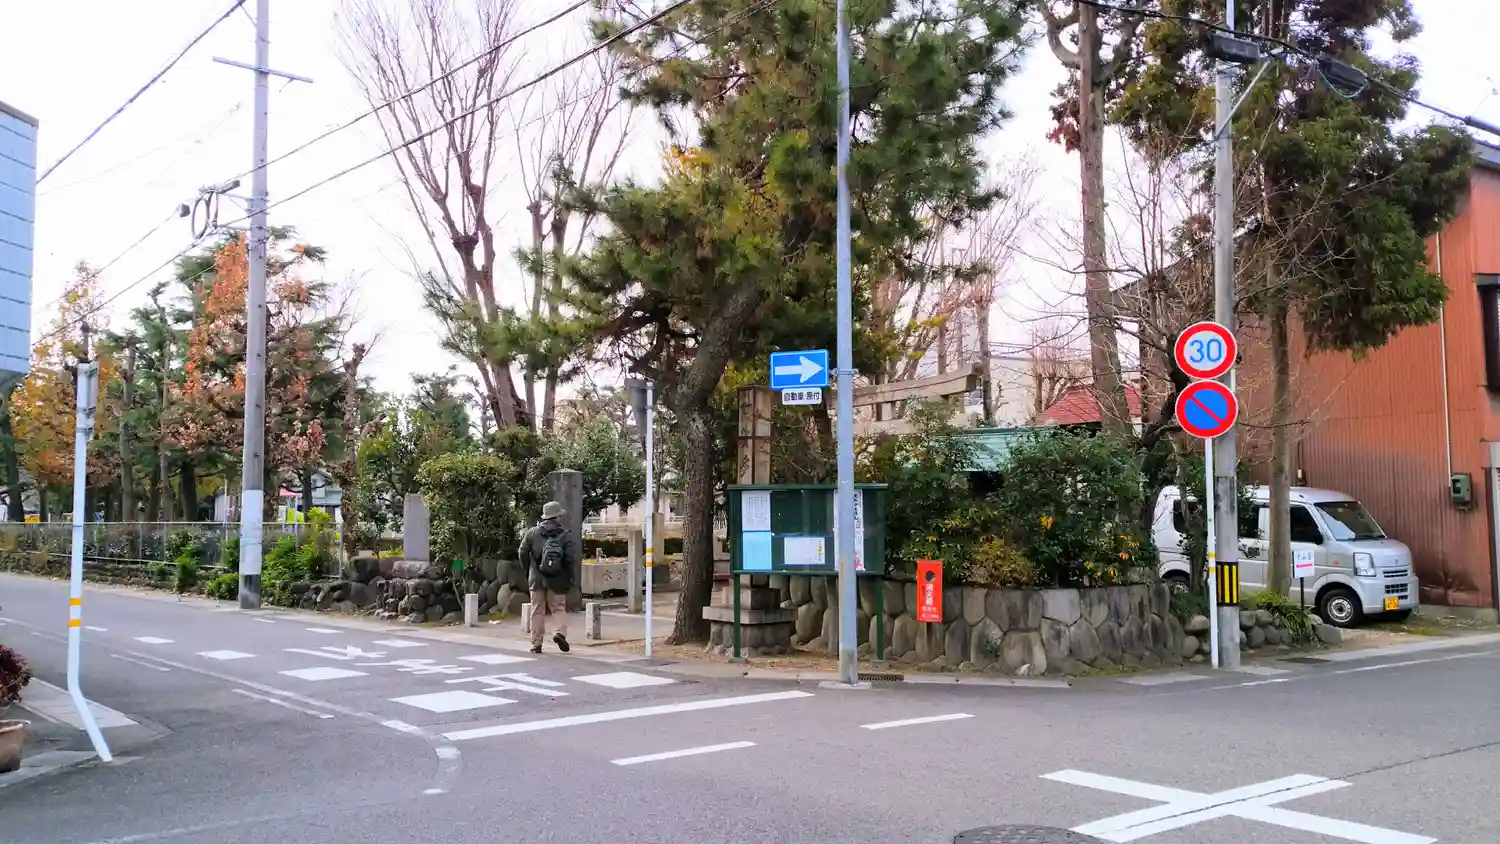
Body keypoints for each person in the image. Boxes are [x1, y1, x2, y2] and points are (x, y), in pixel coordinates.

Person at [519, 500, 576, 654]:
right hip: (557, 578)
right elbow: (570, 559)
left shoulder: (532, 533)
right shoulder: (565, 535)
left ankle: (536, 644)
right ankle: (559, 633)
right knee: (558, 608)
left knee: (537, 610)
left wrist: (529, 569)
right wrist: (570, 577)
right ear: (556, 516)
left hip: (536, 578)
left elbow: (522, 552)